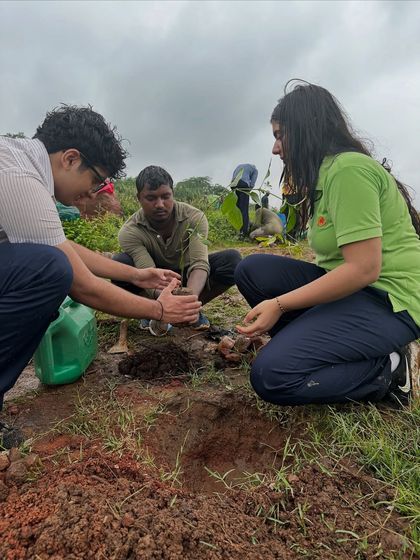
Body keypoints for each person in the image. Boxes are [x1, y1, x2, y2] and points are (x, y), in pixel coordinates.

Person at [0, 106, 201, 448]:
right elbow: (80, 284)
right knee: (49, 272)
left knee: (48, 263)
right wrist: (159, 311)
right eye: (94, 179)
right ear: (70, 159)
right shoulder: (17, 178)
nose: (93, 192)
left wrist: (137, 274)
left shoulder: (18, 163)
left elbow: (62, 245)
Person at [235, 81, 420, 407]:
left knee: (272, 376)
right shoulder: (324, 176)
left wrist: (279, 304)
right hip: (354, 292)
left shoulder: (348, 170)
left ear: (306, 130)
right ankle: (317, 347)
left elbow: (364, 269)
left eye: (280, 136)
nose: (275, 149)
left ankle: (389, 370)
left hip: (389, 298)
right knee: (252, 269)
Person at [113, 165, 242, 334]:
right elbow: (147, 273)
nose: (160, 204)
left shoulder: (195, 217)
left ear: (172, 193)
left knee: (232, 261)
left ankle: (193, 308)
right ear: (139, 198)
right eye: (151, 198)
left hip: (187, 276)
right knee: (119, 266)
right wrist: (164, 303)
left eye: (165, 196)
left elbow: (199, 264)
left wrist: (187, 302)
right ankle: (151, 310)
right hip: (154, 276)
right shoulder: (130, 231)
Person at [230, 163, 258, 237]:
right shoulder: (255, 170)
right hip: (243, 184)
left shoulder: (240, 166)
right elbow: (252, 183)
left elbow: (234, 175)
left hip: (233, 184)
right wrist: (248, 190)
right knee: (244, 209)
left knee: (237, 209)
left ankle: (237, 230)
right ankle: (244, 233)